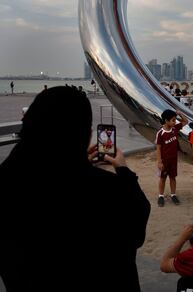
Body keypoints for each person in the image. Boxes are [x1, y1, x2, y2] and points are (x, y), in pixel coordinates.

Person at [0, 86, 151, 292]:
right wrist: (123, 171)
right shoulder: (108, 192)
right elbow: (136, 230)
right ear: (87, 135)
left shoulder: (8, 183)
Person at [156, 109, 188, 207]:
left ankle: (173, 195)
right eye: (173, 120)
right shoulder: (160, 133)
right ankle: (161, 196)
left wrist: (180, 114)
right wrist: (159, 162)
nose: (175, 122)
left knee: (173, 177)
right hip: (164, 161)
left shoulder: (175, 129)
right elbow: (158, 148)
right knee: (163, 178)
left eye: (175, 120)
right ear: (166, 121)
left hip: (173, 160)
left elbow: (186, 121)